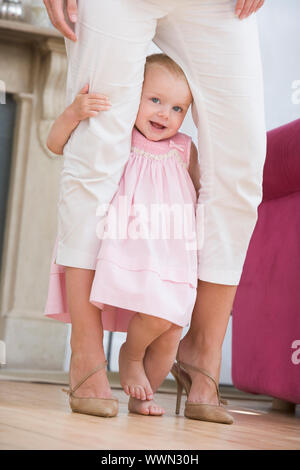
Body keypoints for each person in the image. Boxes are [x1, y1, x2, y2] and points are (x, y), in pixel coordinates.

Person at [43, 0, 266, 424]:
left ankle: (200, 353)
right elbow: (62, 143)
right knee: (96, 144)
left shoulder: (182, 152)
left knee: (241, 163)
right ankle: (87, 352)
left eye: (175, 108)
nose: (167, 114)